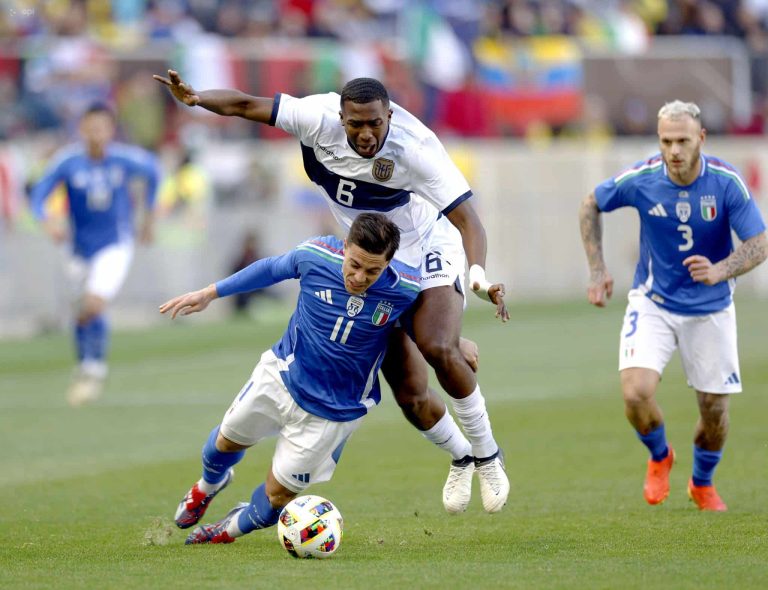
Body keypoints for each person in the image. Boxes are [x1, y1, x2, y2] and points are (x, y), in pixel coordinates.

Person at [154, 71, 510, 514]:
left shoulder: (416, 150)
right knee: (410, 393)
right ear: (339, 116)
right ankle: (461, 457)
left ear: (390, 116)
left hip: (425, 245)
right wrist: (197, 98)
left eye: (375, 124)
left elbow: (468, 222)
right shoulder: (315, 118)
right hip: (372, 257)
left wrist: (476, 275)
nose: (365, 134)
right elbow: (246, 104)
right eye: (355, 124)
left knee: (438, 345)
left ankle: (489, 455)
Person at [160, 213, 421, 544]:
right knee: (223, 444)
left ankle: (224, 531)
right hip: (282, 376)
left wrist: (456, 344)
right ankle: (208, 486)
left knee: (277, 500)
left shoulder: (406, 290)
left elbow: (430, 326)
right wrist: (211, 293)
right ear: (345, 247)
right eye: (354, 264)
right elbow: (270, 269)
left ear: (389, 263)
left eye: (373, 271)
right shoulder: (315, 255)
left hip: (335, 412)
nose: (359, 276)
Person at [579, 100, 768, 511]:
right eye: (666, 141)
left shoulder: (725, 183)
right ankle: (661, 455)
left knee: (715, 410)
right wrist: (597, 270)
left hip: (712, 307)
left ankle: (701, 483)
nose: (674, 150)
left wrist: (720, 270)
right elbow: (591, 202)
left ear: (700, 138)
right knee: (635, 393)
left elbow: (760, 242)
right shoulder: (644, 178)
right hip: (654, 301)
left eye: (682, 140)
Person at [29, 103, 161, 406]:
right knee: (82, 310)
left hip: (115, 244)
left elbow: (154, 171)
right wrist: (47, 220)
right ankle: (85, 365)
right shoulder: (68, 162)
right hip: (77, 247)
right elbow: (39, 193)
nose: (96, 133)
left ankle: (94, 369)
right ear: (82, 128)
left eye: (102, 127)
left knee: (93, 302)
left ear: (111, 130)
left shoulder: (124, 159)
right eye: (90, 126)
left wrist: (149, 217)